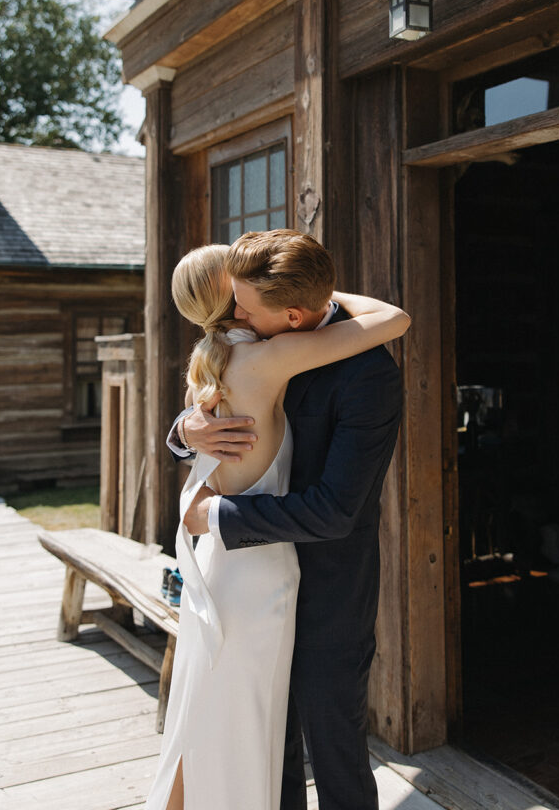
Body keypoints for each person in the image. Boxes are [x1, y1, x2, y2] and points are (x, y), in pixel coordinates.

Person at [146, 235, 410, 810]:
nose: (237, 313)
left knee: (334, 741)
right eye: (234, 299)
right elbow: (226, 402)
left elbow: (338, 509)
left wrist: (214, 514)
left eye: (247, 305)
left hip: (329, 583)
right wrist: (186, 431)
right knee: (268, 738)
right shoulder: (254, 342)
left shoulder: (369, 375)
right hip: (254, 574)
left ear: (291, 312)